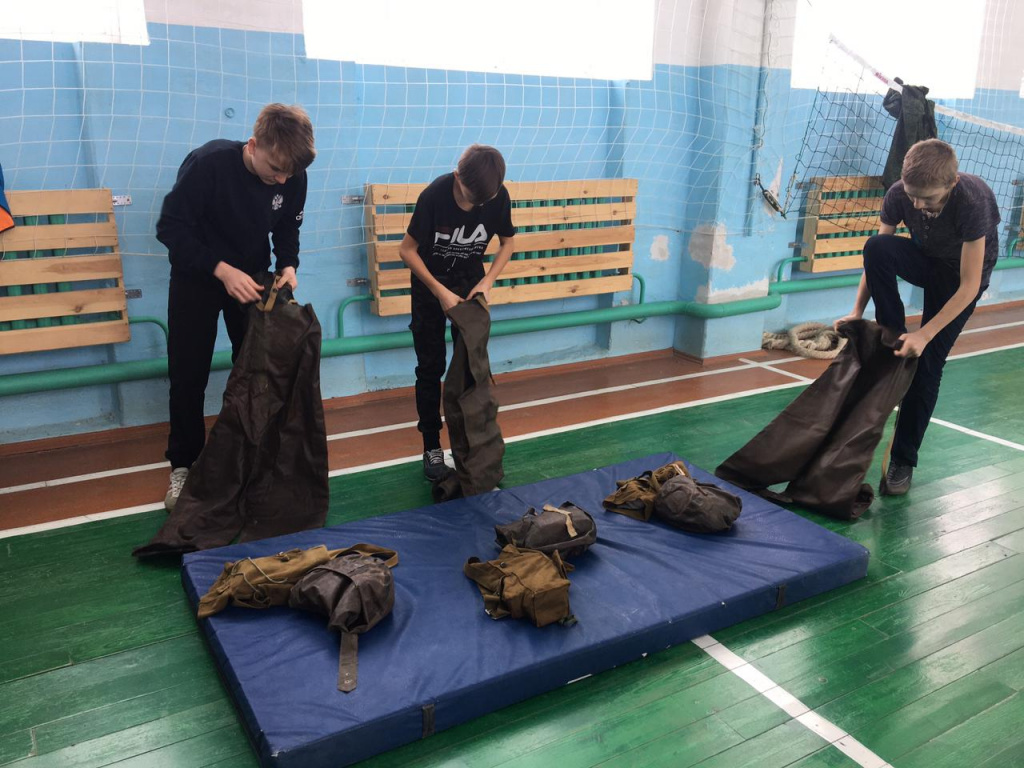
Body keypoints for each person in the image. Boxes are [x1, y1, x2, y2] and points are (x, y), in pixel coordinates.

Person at [156, 103, 316, 509]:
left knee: (259, 370)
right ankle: (183, 465)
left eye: (289, 174)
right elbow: (169, 229)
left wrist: (288, 264)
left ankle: (256, 457)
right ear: (253, 145)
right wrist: (221, 270)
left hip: (252, 278)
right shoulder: (207, 165)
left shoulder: (292, 172)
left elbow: (287, 226)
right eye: (275, 170)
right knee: (188, 374)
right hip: (197, 279)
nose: (282, 180)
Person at [835, 139, 999, 495]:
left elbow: (970, 285)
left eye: (928, 199)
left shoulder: (973, 201)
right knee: (876, 246)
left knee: (926, 366)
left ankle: (903, 459)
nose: (917, 205)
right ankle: (892, 333)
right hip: (927, 260)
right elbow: (875, 259)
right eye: (912, 196)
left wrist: (925, 335)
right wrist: (857, 311)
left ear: (952, 183)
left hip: (959, 279)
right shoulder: (899, 193)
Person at [399, 144, 517, 480]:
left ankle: (472, 444)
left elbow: (508, 242)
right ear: (457, 176)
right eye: (468, 198)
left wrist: (487, 282)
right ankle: (431, 446)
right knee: (430, 367)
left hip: (469, 283)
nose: (474, 206)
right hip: (430, 286)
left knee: (471, 368)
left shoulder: (497, 196)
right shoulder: (434, 196)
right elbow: (407, 250)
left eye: (481, 202)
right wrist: (439, 292)